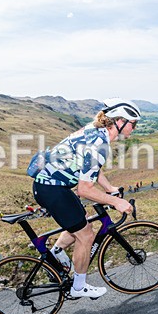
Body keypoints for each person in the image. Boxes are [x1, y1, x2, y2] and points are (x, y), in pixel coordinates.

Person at [32, 98, 140, 298]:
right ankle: (78, 287)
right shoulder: (99, 143)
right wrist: (117, 201)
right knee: (87, 235)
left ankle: (56, 253)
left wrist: (109, 189)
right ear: (120, 121)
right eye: (133, 123)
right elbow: (84, 189)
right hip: (53, 189)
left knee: (82, 222)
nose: (134, 128)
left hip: (54, 186)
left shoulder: (95, 132)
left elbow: (90, 168)